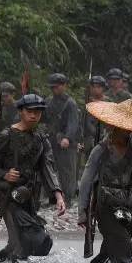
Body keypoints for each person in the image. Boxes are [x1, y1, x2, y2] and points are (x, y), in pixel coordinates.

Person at [0, 93, 65, 263]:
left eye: (38, 112)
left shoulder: (41, 139)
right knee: (31, 240)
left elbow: (48, 168)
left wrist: (58, 195)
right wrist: (4, 174)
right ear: (21, 111)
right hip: (8, 197)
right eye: (30, 111)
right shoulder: (7, 135)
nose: (34, 115)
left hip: (29, 197)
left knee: (23, 244)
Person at [77, 99, 132, 263]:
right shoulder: (101, 150)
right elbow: (86, 181)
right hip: (105, 204)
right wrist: (82, 212)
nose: (128, 130)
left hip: (128, 202)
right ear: (114, 125)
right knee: (123, 243)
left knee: (114, 243)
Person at [44, 73, 81, 204]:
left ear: (64, 86)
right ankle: (52, 197)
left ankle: (68, 197)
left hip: (65, 141)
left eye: (57, 86)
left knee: (67, 170)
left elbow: (73, 123)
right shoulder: (48, 101)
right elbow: (44, 118)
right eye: (52, 87)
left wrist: (67, 138)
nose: (54, 89)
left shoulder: (70, 103)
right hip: (51, 139)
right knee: (50, 168)